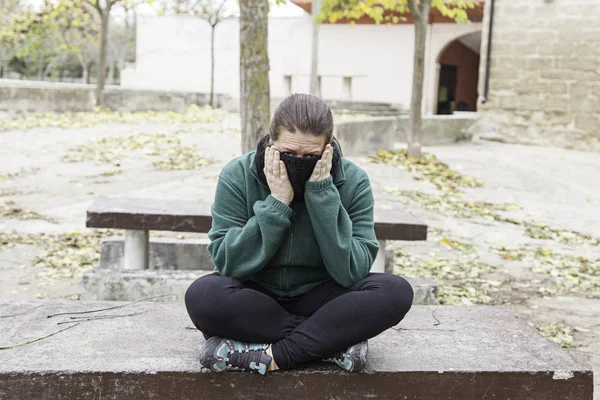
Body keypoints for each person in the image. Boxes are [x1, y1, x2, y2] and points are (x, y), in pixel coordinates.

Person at [184, 93, 414, 375]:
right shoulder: (238, 174)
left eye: (311, 156)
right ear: (271, 142)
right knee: (203, 296)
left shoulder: (353, 181)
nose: (298, 162)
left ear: (327, 149)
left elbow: (352, 271)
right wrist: (277, 203)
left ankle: (274, 354)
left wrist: (323, 196)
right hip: (258, 296)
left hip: (322, 295)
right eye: (288, 154)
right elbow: (227, 262)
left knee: (395, 292)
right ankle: (332, 342)